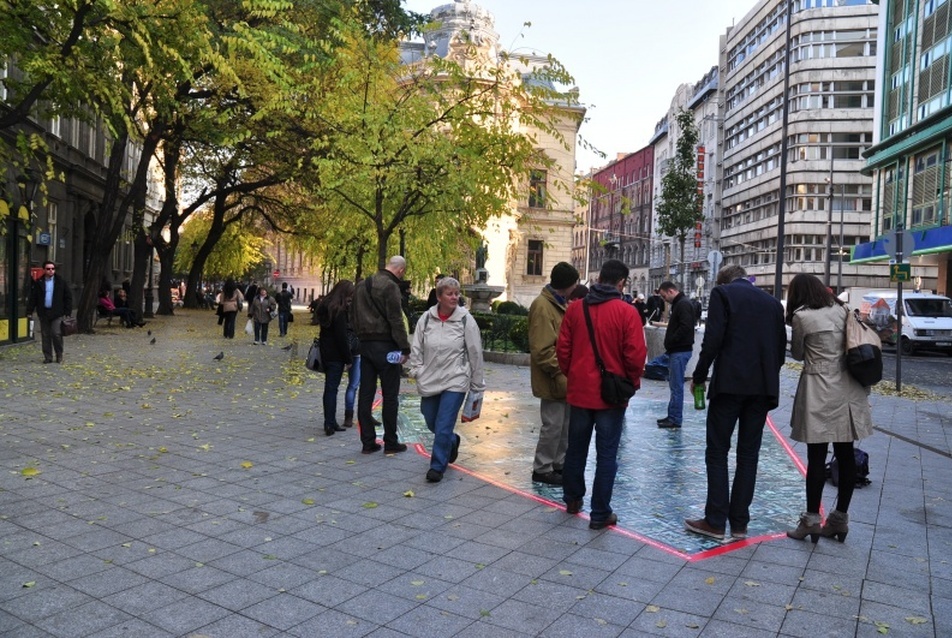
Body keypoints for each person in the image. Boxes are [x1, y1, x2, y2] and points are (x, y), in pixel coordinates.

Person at [684, 264, 787, 541]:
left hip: (730, 385)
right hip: (762, 389)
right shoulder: (773, 304)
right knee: (748, 454)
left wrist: (700, 374)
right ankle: (740, 523)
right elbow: (780, 351)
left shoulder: (723, 294)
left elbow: (713, 339)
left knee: (717, 451)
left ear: (724, 280)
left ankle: (715, 520)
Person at [557, 259, 646, 530]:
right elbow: (636, 355)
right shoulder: (627, 312)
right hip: (611, 395)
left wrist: (574, 376)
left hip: (580, 392)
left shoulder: (575, 309)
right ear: (621, 283)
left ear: (599, 278)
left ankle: (572, 500)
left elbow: (562, 350)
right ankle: (600, 513)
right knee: (607, 453)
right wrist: (629, 383)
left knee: (576, 449)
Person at [784, 273, 873, 543]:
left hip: (818, 388)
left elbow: (798, 354)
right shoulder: (843, 309)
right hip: (848, 387)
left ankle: (811, 519)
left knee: (816, 456)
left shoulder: (802, 317)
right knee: (845, 455)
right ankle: (839, 520)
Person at [406, 276, 485, 483]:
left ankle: (437, 466)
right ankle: (452, 440)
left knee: (443, 424)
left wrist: (477, 385)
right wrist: (417, 370)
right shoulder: (426, 318)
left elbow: (475, 352)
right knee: (431, 419)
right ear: (439, 296)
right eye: (449, 294)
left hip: (455, 380)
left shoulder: (466, 320)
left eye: (456, 294)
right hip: (430, 377)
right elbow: (417, 346)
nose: (454, 297)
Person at [350, 255, 411, 454]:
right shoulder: (390, 286)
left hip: (365, 346)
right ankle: (390, 441)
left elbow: (353, 316)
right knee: (390, 395)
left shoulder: (361, 285)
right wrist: (405, 347)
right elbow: (396, 320)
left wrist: (361, 337)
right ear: (400, 270)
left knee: (365, 394)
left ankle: (367, 442)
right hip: (387, 346)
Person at [528, 262, 579, 486]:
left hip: (563, 377)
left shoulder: (558, 304)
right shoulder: (542, 306)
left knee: (564, 426)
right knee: (553, 425)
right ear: (567, 285)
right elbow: (542, 349)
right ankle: (542, 467)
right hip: (553, 378)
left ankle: (558, 464)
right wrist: (560, 371)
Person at [317, 281, 360, 436]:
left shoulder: (324, 306)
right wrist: (348, 359)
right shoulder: (339, 311)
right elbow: (341, 337)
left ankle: (330, 420)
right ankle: (330, 422)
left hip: (326, 352)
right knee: (332, 388)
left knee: (329, 388)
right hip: (336, 354)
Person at [656, 281, 696, 429]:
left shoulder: (683, 304)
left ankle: (675, 418)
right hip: (678, 350)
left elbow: (685, 327)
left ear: (671, 291)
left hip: (679, 350)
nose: (663, 299)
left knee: (676, 386)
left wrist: (672, 341)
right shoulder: (681, 304)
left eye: (664, 295)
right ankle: (672, 415)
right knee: (674, 385)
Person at [27, 261, 73, 364]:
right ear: (44, 270)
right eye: (48, 269)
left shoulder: (60, 282)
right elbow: (34, 298)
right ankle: (48, 357)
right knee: (45, 335)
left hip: (57, 313)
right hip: (44, 312)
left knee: (56, 334)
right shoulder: (39, 282)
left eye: (53, 269)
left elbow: (68, 297)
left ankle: (59, 355)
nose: (51, 271)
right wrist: (29, 310)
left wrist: (67, 311)